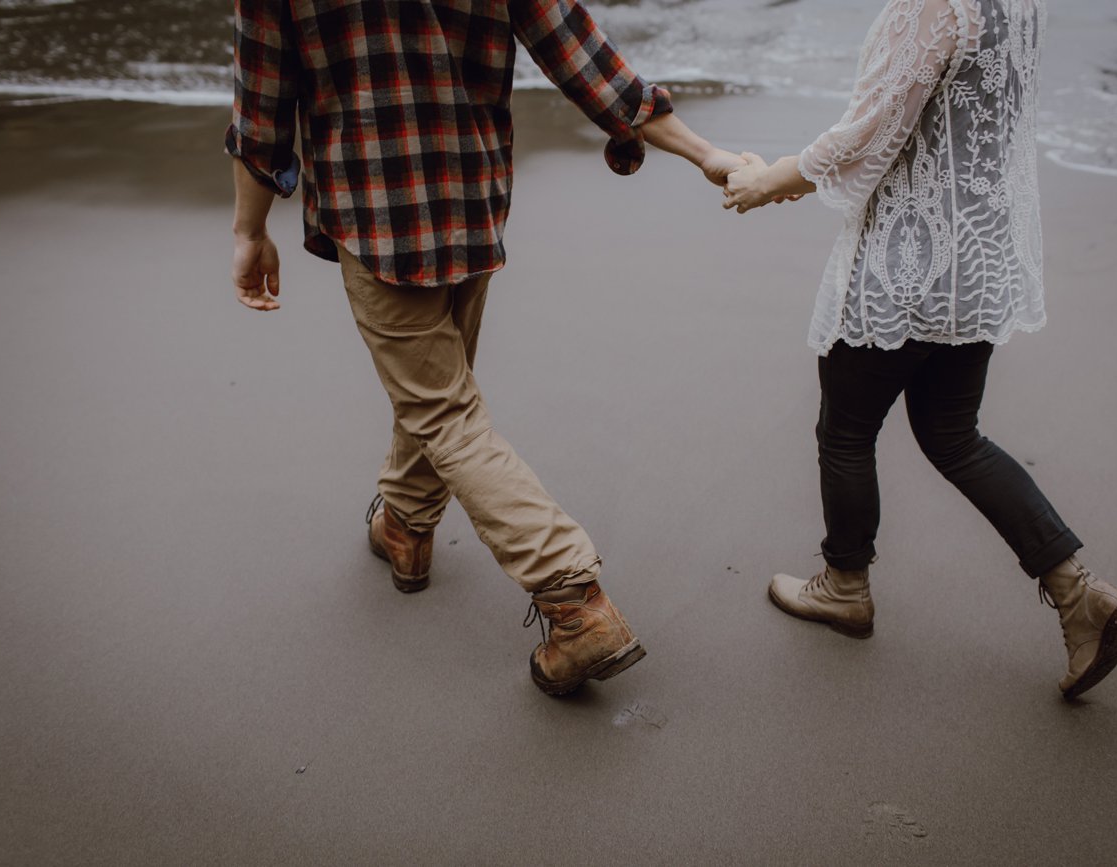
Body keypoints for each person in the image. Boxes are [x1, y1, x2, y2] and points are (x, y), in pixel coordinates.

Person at [227, 0, 743, 695]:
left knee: (444, 411)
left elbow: (261, 110)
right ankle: (406, 525)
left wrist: (247, 230)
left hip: (376, 208)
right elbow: (577, 50)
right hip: (471, 196)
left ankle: (574, 599)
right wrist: (702, 150)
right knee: (440, 384)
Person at [722, 0, 1117, 699]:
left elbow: (871, 132)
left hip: (910, 259)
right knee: (954, 434)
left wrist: (773, 180)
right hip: (978, 255)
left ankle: (845, 586)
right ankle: (1080, 595)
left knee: (847, 431)